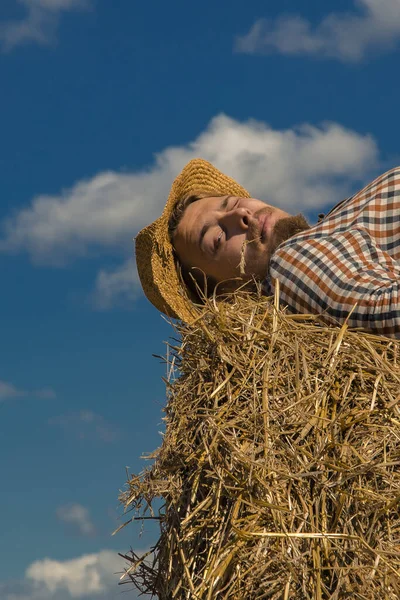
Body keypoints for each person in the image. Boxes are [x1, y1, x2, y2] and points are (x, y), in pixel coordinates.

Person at [136, 159, 400, 338]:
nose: (241, 215)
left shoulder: (332, 229)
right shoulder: (291, 262)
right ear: (224, 298)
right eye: (217, 238)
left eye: (232, 203)